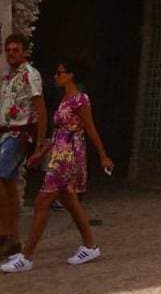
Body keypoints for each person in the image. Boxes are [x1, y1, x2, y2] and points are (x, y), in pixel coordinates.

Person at [3, 58, 113, 273]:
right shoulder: (65, 100)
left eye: (60, 72)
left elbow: (90, 129)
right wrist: (41, 152)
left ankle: (26, 256)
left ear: (71, 75)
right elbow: (58, 133)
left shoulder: (80, 100)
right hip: (58, 154)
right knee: (70, 202)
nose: (56, 75)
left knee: (42, 201)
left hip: (68, 157)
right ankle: (90, 245)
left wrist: (103, 155)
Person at [0, 33, 47, 258]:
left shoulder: (30, 75)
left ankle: (5, 232)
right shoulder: (9, 76)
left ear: (25, 51)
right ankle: (13, 238)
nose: (11, 54)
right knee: (8, 187)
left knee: (1, 178)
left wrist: (39, 143)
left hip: (19, 135)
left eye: (15, 50)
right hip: (6, 133)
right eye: (8, 50)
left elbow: (40, 108)